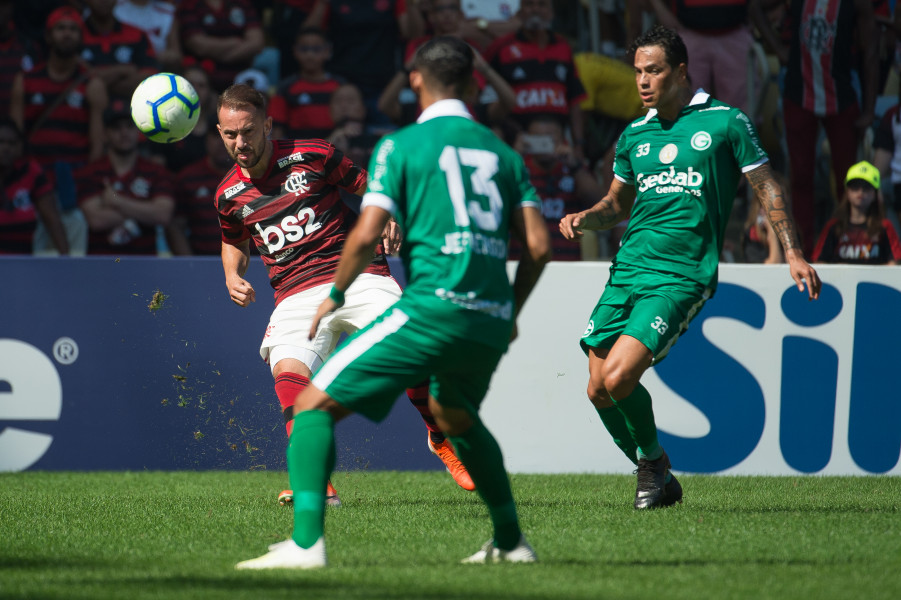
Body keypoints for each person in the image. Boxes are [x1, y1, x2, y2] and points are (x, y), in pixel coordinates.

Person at [234, 36, 551, 570]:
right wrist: (512, 312)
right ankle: (511, 541)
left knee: (311, 408)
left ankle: (307, 546)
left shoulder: (400, 146)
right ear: (474, 84)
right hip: (491, 317)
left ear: (416, 83)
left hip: (432, 309)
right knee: (459, 417)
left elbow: (364, 235)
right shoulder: (504, 153)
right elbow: (539, 247)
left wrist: (334, 292)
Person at [559, 26, 821, 510]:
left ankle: (651, 470)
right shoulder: (634, 134)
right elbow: (616, 205)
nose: (642, 81)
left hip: (681, 276)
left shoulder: (725, 122)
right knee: (597, 390)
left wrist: (792, 250)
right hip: (627, 271)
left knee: (618, 379)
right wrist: (584, 218)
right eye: (637, 71)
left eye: (652, 70)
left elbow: (768, 187)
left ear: (680, 71)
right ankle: (656, 468)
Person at [213, 83, 476, 507]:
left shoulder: (313, 153)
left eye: (248, 131)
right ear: (220, 132)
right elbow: (234, 241)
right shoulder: (228, 195)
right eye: (230, 135)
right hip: (294, 294)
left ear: (267, 124)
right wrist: (232, 275)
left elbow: (371, 185)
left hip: (359, 274)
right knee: (288, 375)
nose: (240, 143)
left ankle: (440, 436)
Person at [9, 5, 108, 256]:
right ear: (48, 35)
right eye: (61, 28)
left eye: (73, 29)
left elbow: (97, 146)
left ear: (81, 37)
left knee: (73, 261)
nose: (67, 34)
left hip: (70, 188)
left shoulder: (91, 84)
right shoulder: (26, 80)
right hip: (32, 188)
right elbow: (14, 140)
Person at [483, 0, 586, 152]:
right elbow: (487, 99)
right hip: (513, 144)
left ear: (552, 14)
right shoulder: (502, 47)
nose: (535, 9)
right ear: (519, 13)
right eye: (529, 4)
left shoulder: (563, 47)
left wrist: (579, 144)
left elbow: (575, 100)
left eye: (542, 4)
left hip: (557, 145)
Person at [77, 99, 175, 255]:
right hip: (100, 265)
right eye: (116, 128)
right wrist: (145, 212)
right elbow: (96, 220)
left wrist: (116, 201)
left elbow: (163, 215)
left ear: (138, 131)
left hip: (145, 265)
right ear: (105, 134)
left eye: (129, 126)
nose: (124, 133)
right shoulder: (90, 172)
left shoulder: (156, 171)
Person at [509, 116, 604, 261]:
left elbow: (600, 203)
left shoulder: (574, 170)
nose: (545, 143)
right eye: (538, 138)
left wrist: (575, 167)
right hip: (523, 263)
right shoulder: (518, 169)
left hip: (567, 263)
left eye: (550, 138)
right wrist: (514, 158)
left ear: (562, 139)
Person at [165, 116, 234, 256]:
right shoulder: (187, 178)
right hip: (203, 265)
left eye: (229, 135)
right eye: (216, 135)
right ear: (206, 140)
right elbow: (175, 227)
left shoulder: (256, 175)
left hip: (252, 266)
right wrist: (191, 265)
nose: (222, 142)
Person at [0, 117, 69, 255]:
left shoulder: (31, 171)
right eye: (0, 142)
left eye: (12, 143)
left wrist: (67, 261)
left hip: (23, 265)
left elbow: (52, 219)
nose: (6, 148)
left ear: (20, 146)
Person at [811, 161, 901, 264]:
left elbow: (894, 263)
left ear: (875, 193)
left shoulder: (885, 226)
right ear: (847, 191)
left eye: (866, 187)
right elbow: (819, 262)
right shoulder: (833, 226)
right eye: (855, 186)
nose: (860, 192)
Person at [268, 27, 343, 141]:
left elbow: (349, 124)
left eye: (316, 49)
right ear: (295, 51)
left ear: (328, 51)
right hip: (297, 151)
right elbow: (277, 130)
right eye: (304, 49)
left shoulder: (339, 86)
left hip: (334, 149)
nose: (310, 54)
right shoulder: (285, 87)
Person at [176, 0, 265, 93]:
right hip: (203, 72)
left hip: (240, 72)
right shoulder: (190, 5)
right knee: (196, 80)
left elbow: (256, 42)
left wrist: (224, 56)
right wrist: (233, 42)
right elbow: (198, 45)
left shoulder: (242, 3)